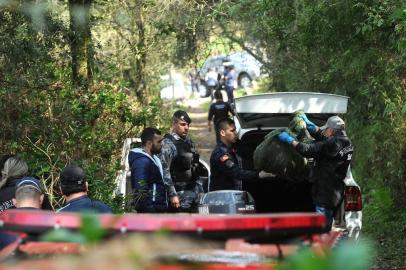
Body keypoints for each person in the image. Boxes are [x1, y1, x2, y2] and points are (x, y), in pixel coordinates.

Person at [278, 114, 353, 229]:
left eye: (326, 129)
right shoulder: (346, 142)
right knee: (326, 226)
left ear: (331, 131)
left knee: (321, 229)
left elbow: (308, 150)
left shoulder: (331, 144)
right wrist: (313, 128)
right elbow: (327, 141)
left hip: (325, 193)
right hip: (336, 192)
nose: (324, 132)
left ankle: (321, 244)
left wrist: (290, 140)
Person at [210, 118, 274, 191]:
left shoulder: (235, 145)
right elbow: (236, 172)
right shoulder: (220, 154)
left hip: (234, 193)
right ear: (222, 133)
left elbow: (251, 153)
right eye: (232, 131)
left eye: (235, 130)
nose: (235, 133)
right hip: (222, 197)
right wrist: (259, 175)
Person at [158, 110, 202, 212]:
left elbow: (195, 166)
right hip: (177, 195)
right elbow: (164, 172)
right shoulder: (167, 144)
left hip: (192, 193)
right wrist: (172, 194)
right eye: (182, 124)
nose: (186, 127)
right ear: (174, 124)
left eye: (188, 125)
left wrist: (200, 190)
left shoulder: (189, 142)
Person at [128, 127, 167, 213]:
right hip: (150, 214)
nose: (162, 144)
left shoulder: (153, 159)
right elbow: (141, 191)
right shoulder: (142, 162)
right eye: (159, 142)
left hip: (157, 210)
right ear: (149, 143)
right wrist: (151, 212)